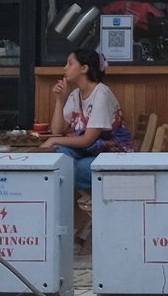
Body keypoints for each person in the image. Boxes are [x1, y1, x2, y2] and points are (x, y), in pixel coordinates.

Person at [48, 45, 132, 193]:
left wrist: (54, 140)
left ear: (84, 68)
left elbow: (88, 140)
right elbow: (57, 129)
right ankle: (65, 200)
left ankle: (65, 203)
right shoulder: (75, 94)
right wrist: (60, 100)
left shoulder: (101, 94)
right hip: (91, 151)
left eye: (70, 63)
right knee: (60, 153)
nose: (65, 68)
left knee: (74, 168)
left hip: (112, 155)